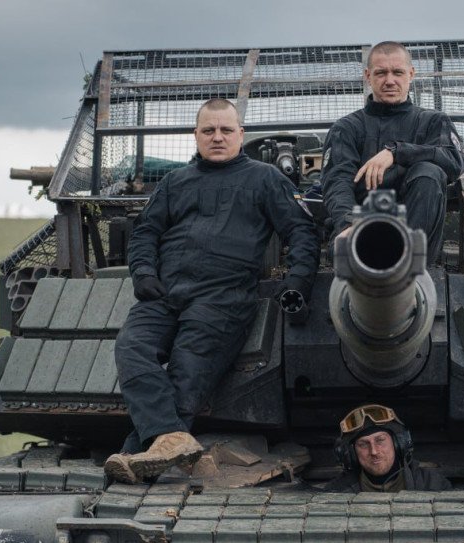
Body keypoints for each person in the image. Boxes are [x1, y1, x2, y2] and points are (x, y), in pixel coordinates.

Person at [104, 98, 320, 484]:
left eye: (225, 130)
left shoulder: (265, 179)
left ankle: (132, 453)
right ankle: (164, 442)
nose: (217, 137)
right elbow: (146, 233)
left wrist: (296, 282)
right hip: (165, 293)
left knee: (188, 373)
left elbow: (302, 231)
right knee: (131, 347)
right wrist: (143, 274)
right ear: (196, 136)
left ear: (240, 135)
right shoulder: (175, 182)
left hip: (223, 298)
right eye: (208, 130)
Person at [321, 41, 464, 263]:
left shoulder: (433, 122)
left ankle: (407, 266)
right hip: (360, 235)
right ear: (368, 76)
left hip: (418, 244)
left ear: (411, 73)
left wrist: (397, 152)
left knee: (429, 171)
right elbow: (337, 181)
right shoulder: (346, 128)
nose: (390, 81)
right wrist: (348, 223)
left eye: (397, 72)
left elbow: (454, 161)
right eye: (381, 73)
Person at [324, 404, 451, 493]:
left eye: (380, 440)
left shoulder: (431, 484)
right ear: (351, 454)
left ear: (399, 444)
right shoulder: (337, 491)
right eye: (363, 444)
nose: (374, 451)